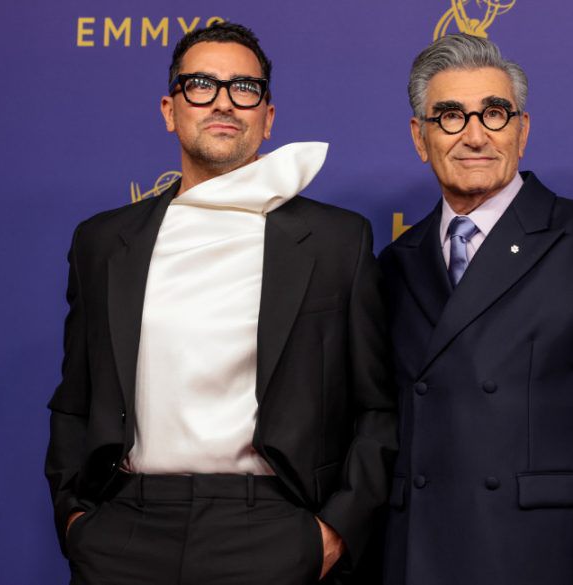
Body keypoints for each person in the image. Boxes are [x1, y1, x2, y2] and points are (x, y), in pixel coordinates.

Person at [45, 22, 396, 585]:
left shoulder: (337, 241)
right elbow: (75, 399)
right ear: (169, 108)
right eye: (201, 85)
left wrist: (331, 533)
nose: (224, 102)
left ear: (269, 115)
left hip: (272, 528)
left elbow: (377, 407)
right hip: (126, 529)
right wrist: (75, 519)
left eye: (244, 88)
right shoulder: (103, 242)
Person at [378, 33, 573, 585]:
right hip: (416, 557)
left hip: (542, 558)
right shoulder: (397, 261)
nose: (474, 136)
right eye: (449, 116)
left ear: (522, 130)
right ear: (420, 138)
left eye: (494, 114)